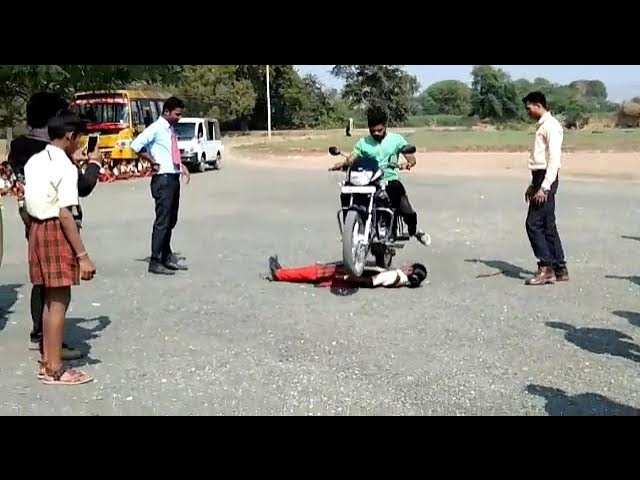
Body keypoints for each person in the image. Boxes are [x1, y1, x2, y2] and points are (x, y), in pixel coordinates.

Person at [8, 92, 103, 359]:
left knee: (43, 283)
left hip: (32, 219)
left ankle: (41, 340)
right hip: (57, 224)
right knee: (58, 295)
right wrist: (93, 164)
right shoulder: (59, 158)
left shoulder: (23, 148)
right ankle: (53, 360)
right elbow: (76, 194)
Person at [24, 112, 97, 385]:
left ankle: (48, 361)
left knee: (49, 299)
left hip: (37, 228)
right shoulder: (65, 167)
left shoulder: (35, 160)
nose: (79, 144)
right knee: (59, 301)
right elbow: (66, 212)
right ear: (70, 136)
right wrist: (83, 256)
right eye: (78, 139)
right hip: (56, 227)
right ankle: (55, 368)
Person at [330, 107, 429, 246]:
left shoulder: (396, 140)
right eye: (373, 131)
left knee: (405, 206)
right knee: (347, 192)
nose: (376, 133)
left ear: (385, 126)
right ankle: (351, 230)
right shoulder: (363, 143)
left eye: (379, 130)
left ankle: (414, 230)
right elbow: (352, 158)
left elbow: (411, 159)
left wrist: (407, 164)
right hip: (369, 180)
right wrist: (343, 163)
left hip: (389, 179)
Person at [131, 96, 190, 275]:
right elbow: (136, 145)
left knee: (171, 219)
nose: (179, 118)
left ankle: (167, 256)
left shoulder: (169, 129)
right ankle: (155, 261)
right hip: (162, 179)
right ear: (166, 112)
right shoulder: (157, 128)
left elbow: (168, 152)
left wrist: (181, 166)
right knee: (163, 221)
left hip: (172, 176)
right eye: (176, 114)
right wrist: (151, 161)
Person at [522, 92, 568, 286]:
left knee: (533, 224)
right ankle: (559, 267)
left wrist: (544, 188)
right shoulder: (542, 125)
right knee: (548, 224)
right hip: (540, 178)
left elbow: (554, 160)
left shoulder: (551, 126)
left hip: (546, 179)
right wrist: (533, 185)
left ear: (538, 105)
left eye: (529, 108)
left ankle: (546, 268)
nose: (528, 112)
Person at [267, 255, 428, 289]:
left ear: (409, 270)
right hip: (350, 276)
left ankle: (279, 274)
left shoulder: (394, 276)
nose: (406, 264)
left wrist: (347, 277)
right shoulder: (400, 279)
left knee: (314, 272)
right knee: (314, 274)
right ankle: (282, 273)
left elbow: (371, 282)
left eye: (409, 266)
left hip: (349, 277)